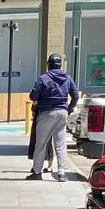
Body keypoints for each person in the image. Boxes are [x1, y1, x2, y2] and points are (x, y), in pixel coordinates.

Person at [27, 53, 78, 181]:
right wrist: (69, 109)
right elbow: (75, 95)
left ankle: (37, 172)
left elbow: (33, 96)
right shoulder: (67, 78)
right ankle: (61, 173)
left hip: (47, 113)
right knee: (60, 143)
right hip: (62, 112)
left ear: (48, 65)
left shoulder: (44, 78)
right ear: (60, 65)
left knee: (41, 143)